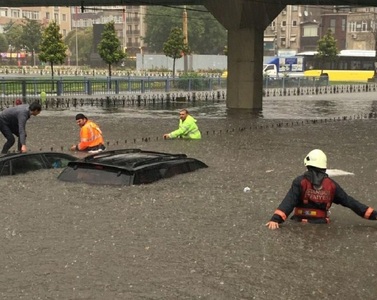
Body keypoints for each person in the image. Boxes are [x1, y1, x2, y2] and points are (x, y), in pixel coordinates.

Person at [266, 149, 377, 230]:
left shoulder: (300, 182)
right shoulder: (332, 186)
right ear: (324, 167)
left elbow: (288, 202)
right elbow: (351, 203)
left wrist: (276, 219)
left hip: (298, 224)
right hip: (322, 226)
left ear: (307, 165)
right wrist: (374, 215)